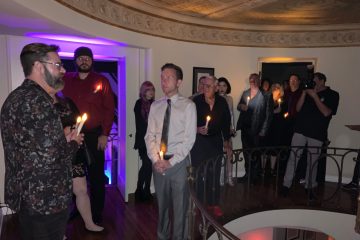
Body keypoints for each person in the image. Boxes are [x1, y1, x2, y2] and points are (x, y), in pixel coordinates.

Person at [0, 43, 83, 240]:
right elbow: (51, 156)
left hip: (29, 197)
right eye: (57, 65)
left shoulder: (18, 97)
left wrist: (61, 138)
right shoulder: (37, 101)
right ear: (38, 66)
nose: (63, 70)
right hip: (45, 199)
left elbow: (32, 146)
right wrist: (73, 143)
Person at [62, 46, 115, 224]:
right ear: (75, 60)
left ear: (92, 61)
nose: (84, 60)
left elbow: (109, 110)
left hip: (94, 136)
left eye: (87, 58)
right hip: (72, 136)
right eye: (80, 58)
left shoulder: (101, 81)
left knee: (96, 176)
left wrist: (105, 134)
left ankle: (97, 212)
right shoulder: (66, 79)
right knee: (75, 175)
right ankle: (78, 208)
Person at [145, 63, 196, 240]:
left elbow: (189, 140)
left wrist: (171, 162)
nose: (164, 81)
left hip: (179, 164)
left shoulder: (188, 106)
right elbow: (149, 136)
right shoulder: (155, 106)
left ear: (179, 81)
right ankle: (162, 236)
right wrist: (155, 160)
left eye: (169, 77)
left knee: (181, 208)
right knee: (162, 206)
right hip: (159, 164)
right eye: (162, 77)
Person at [280, 72, 339, 197]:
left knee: (312, 161)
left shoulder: (333, 95)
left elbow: (326, 112)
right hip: (300, 130)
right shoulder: (307, 93)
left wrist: (315, 96)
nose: (314, 84)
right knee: (293, 158)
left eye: (316, 81)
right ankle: (286, 185)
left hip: (317, 133)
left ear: (323, 81)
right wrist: (304, 93)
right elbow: (298, 109)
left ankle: (309, 186)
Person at [54, 94, 104, 233]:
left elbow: (78, 120)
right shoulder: (42, 105)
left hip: (75, 151)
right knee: (59, 195)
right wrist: (64, 135)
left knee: (81, 190)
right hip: (57, 154)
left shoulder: (67, 101)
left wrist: (75, 132)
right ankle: (59, 232)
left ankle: (89, 223)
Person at [191, 76, 231, 216]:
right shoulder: (196, 102)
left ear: (216, 88)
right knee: (199, 174)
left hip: (215, 142)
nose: (205, 88)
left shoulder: (222, 102)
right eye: (204, 85)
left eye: (209, 86)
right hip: (199, 142)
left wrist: (226, 140)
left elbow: (226, 122)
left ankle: (213, 203)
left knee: (213, 174)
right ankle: (199, 204)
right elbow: (187, 122)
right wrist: (197, 129)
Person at [236, 73, 273, 183]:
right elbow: (239, 106)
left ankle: (255, 177)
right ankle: (248, 175)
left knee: (256, 153)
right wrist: (241, 106)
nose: (253, 82)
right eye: (251, 80)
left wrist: (263, 131)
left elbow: (269, 115)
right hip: (245, 128)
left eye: (255, 80)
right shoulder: (246, 93)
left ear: (259, 81)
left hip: (257, 130)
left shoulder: (266, 95)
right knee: (246, 152)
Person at [134, 81, 155, 201]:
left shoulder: (155, 104)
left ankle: (145, 190)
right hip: (142, 140)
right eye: (148, 90)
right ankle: (139, 190)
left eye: (152, 90)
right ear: (143, 91)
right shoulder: (139, 104)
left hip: (153, 140)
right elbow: (141, 124)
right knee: (147, 164)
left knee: (149, 165)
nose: (151, 92)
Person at [218, 77, 236, 186]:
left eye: (224, 85)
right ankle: (220, 178)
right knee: (220, 154)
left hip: (228, 130)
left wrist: (233, 127)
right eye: (219, 85)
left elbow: (232, 114)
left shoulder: (230, 99)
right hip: (218, 130)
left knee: (230, 153)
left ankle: (229, 177)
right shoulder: (214, 98)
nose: (221, 88)